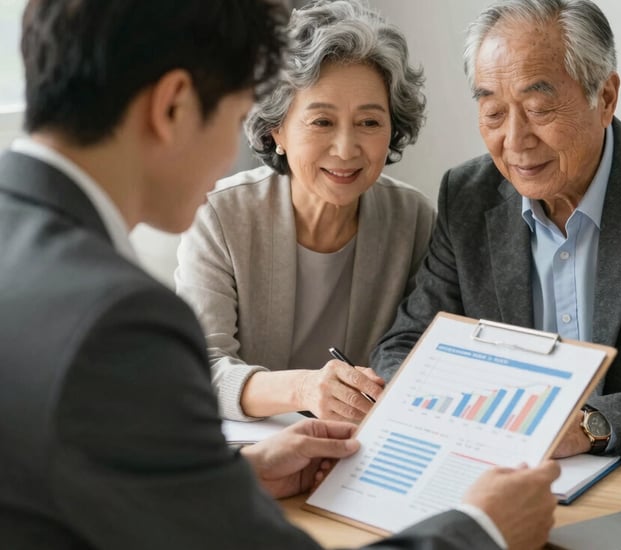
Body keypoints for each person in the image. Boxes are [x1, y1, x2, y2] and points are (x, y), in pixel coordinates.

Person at [0, 0, 560, 548]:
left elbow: (90, 493)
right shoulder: (120, 320)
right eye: (236, 110)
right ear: (173, 105)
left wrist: (237, 478)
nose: (228, 156)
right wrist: (482, 530)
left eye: (369, 120)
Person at [371, 0, 621, 464]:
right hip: (499, 472)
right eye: (494, 113)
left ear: (606, 98)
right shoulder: (468, 196)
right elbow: (406, 346)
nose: (516, 141)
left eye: (538, 109)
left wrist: (590, 425)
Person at [174, 0, 434, 424]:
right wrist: (303, 389)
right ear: (277, 129)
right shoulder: (221, 216)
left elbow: (421, 356)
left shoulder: (414, 219)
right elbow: (200, 368)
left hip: (359, 455)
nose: (347, 149)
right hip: (256, 456)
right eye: (321, 122)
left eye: (369, 123)